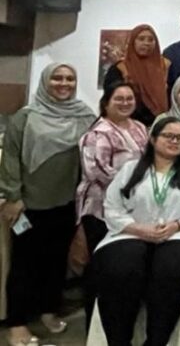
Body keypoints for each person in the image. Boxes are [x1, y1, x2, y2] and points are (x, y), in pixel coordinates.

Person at [92, 117, 180, 346]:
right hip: (131, 231)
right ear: (153, 138)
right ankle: (119, 341)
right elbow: (112, 205)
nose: (175, 141)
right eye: (169, 135)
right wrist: (138, 228)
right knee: (120, 267)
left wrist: (178, 225)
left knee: (173, 267)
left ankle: (156, 340)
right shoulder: (131, 168)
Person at [1, 63, 96, 346]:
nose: (63, 83)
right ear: (45, 81)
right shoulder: (25, 117)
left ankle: (47, 311)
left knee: (56, 263)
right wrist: (13, 197)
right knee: (24, 263)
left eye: (70, 78)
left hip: (67, 203)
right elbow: (11, 160)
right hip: (29, 205)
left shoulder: (85, 116)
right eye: (57, 77)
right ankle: (17, 322)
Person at [76, 83, 148, 326]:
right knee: (99, 269)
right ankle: (94, 329)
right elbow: (97, 172)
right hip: (100, 210)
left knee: (122, 268)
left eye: (129, 98)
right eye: (119, 98)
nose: (125, 102)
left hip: (133, 210)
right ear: (106, 103)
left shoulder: (139, 128)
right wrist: (134, 187)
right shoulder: (98, 133)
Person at [103, 24, 170, 125]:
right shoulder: (120, 68)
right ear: (132, 42)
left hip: (161, 124)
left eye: (150, 40)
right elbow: (111, 98)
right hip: (128, 123)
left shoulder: (166, 66)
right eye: (141, 39)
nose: (146, 43)